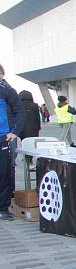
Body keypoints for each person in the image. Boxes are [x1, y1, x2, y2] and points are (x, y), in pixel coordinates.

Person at [0, 65, 25, 221]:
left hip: (3, 138)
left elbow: (20, 112)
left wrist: (14, 132)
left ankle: (3, 208)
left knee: (4, 173)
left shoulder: (7, 90)